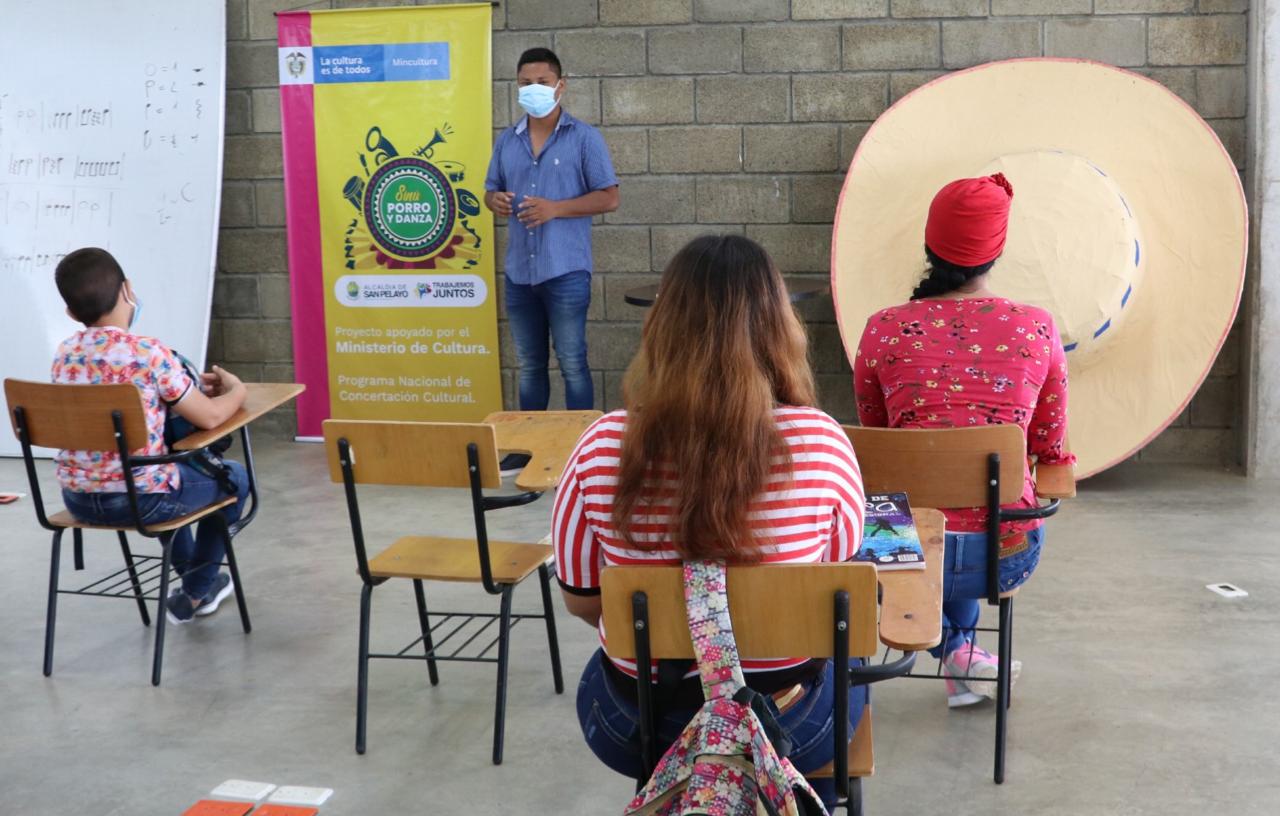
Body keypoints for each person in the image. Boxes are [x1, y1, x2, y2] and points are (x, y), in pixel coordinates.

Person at [552, 235, 866, 808]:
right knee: (848, 642)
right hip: (788, 721)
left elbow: (582, 600)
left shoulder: (600, 445)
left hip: (642, 722)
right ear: (780, 328)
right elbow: (834, 581)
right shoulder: (823, 441)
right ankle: (787, 793)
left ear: (661, 327)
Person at [853, 174, 1075, 707]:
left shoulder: (882, 328)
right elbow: (1049, 444)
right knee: (970, 509)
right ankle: (963, 653)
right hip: (1003, 552)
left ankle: (956, 649)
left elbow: (879, 441)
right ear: (996, 250)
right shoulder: (1036, 328)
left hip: (895, 555)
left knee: (913, 508)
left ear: (930, 247)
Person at [52, 247, 252, 625]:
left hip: (77, 499)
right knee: (234, 478)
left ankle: (196, 584)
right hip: (144, 502)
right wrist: (236, 390)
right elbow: (209, 418)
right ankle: (196, 591)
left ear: (71, 313)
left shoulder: (64, 355)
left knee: (160, 471)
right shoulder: (148, 353)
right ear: (128, 290)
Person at [485, 47, 619, 472]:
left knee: (572, 362)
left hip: (565, 272)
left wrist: (555, 208)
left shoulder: (584, 138)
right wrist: (496, 201)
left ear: (561, 85)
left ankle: (580, 455)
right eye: (525, 83)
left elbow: (610, 197)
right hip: (519, 274)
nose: (533, 90)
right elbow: (490, 191)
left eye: (542, 82)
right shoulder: (508, 140)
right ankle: (530, 449)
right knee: (529, 366)